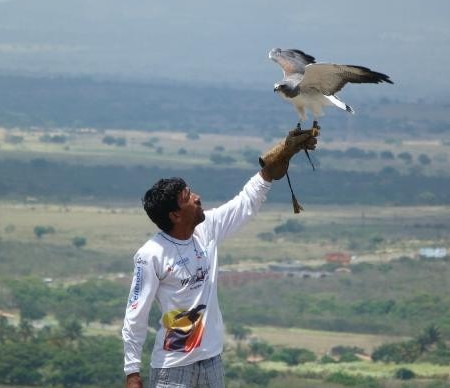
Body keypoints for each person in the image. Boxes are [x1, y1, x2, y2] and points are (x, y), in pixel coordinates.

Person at [122, 128, 318, 388]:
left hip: (212, 361)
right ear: (175, 215)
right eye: (187, 198)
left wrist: (271, 169)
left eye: (191, 191)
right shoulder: (150, 255)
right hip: (173, 368)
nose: (196, 198)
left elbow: (245, 203)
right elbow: (136, 316)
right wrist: (132, 372)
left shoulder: (207, 229)